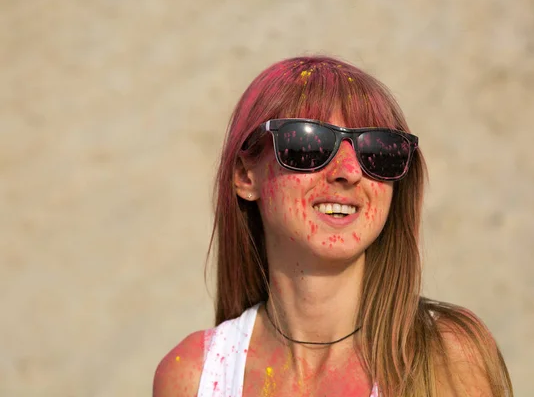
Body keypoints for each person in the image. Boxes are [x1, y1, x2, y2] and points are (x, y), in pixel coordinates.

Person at [153, 56, 513, 396]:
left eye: (380, 151)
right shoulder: (194, 378)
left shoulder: (448, 357)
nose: (350, 171)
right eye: (308, 143)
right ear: (246, 175)